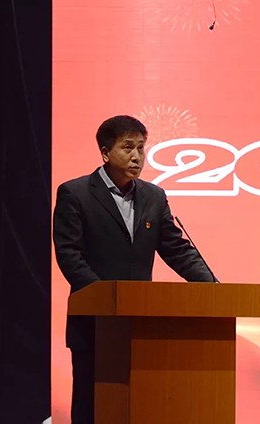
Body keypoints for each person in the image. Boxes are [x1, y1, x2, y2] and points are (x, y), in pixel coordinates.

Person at [53, 115, 217, 423]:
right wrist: (107, 300)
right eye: (128, 147)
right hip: (94, 325)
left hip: (142, 326)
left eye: (141, 148)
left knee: (139, 408)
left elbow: (177, 249)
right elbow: (70, 256)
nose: (137, 156)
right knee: (93, 409)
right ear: (105, 153)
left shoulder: (153, 196)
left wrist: (213, 288)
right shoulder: (75, 194)